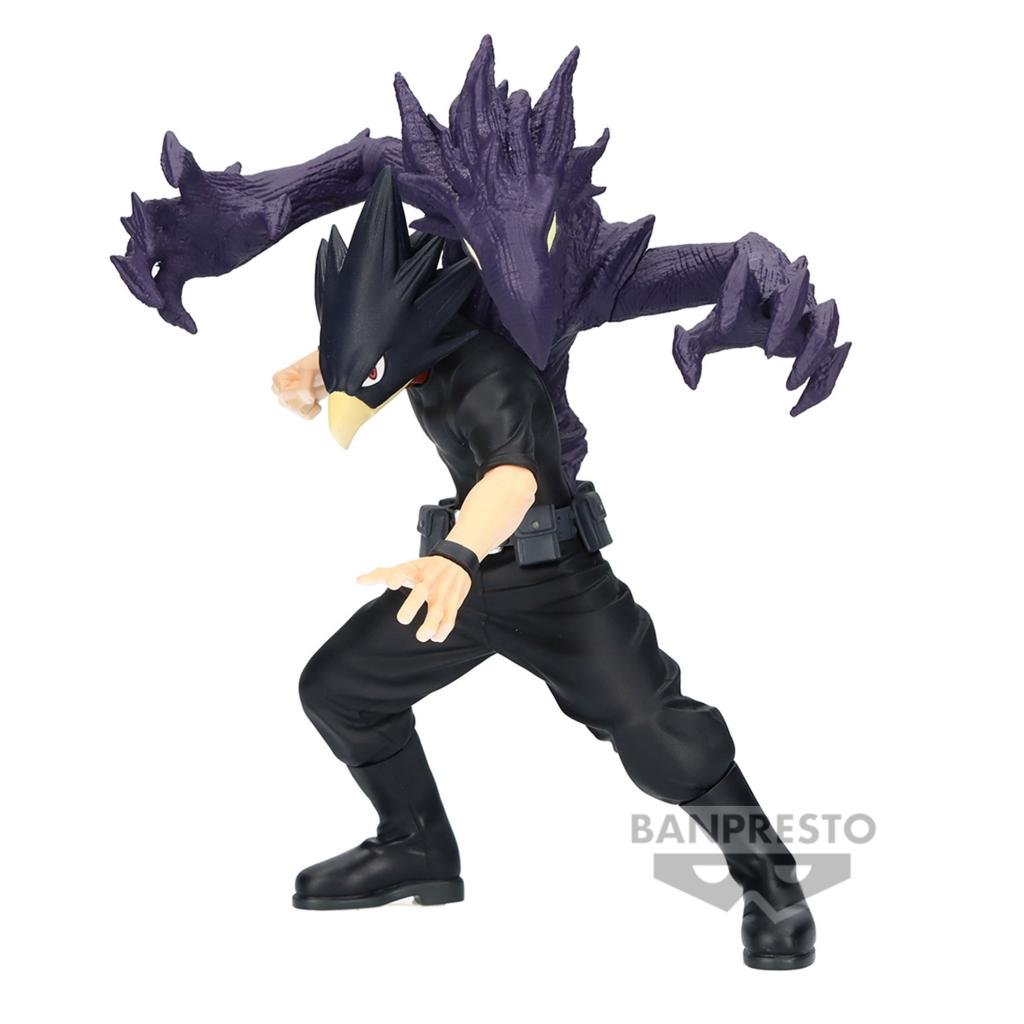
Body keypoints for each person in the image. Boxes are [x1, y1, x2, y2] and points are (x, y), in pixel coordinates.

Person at [272, 171, 816, 970]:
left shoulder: (492, 376)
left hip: (551, 577)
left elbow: (512, 479)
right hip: (461, 580)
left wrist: (456, 555)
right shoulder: (427, 320)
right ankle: (416, 846)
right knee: (340, 690)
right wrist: (321, 367)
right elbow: (381, 328)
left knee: (660, 735)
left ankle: (773, 884)